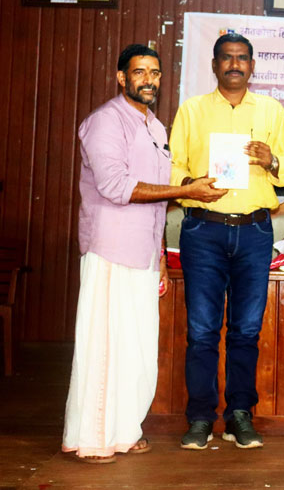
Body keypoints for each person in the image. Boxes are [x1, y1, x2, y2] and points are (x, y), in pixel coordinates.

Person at [63, 44, 225, 463]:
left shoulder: (154, 126)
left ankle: (124, 429)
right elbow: (118, 187)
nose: (149, 80)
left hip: (142, 254)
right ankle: (94, 437)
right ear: (122, 78)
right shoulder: (104, 122)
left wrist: (160, 260)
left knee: (135, 350)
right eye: (139, 72)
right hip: (111, 249)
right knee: (105, 347)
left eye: (155, 72)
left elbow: (155, 199)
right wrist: (188, 190)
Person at [169, 33, 284, 450]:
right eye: (227, 58)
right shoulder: (192, 110)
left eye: (242, 59)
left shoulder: (272, 110)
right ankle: (200, 418)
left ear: (253, 65)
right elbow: (173, 169)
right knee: (202, 331)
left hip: (256, 231)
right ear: (215, 65)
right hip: (203, 229)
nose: (235, 65)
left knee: (245, 329)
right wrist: (194, 185)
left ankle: (240, 414)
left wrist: (270, 160)